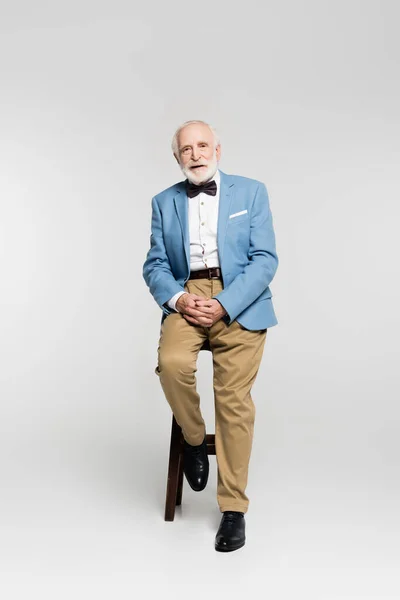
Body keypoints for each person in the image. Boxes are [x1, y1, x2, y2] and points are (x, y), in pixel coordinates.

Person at [142, 120, 279, 552]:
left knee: (234, 401)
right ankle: (195, 440)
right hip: (189, 294)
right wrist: (180, 300)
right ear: (177, 157)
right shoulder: (164, 202)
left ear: (218, 149)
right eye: (187, 149)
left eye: (203, 145)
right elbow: (155, 265)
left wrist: (225, 304)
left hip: (241, 297)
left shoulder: (251, 192)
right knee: (174, 364)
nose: (196, 154)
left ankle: (233, 509)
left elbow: (265, 260)